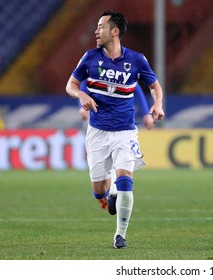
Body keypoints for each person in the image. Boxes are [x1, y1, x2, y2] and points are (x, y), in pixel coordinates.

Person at [66, 10, 164, 249]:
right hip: (97, 132)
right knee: (99, 190)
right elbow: (71, 84)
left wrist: (157, 104)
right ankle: (108, 196)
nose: (96, 31)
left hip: (125, 131)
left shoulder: (137, 60)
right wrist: (81, 95)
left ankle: (120, 235)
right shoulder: (89, 58)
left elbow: (154, 86)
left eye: (101, 26)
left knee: (125, 180)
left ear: (115, 31)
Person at [78, 82, 155, 210]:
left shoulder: (125, 66)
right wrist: (81, 105)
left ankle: (114, 189)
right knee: (98, 188)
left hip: (121, 125)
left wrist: (146, 112)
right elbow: (81, 82)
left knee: (119, 160)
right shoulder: (93, 64)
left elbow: (136, 87)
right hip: (97, 123)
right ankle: (105, 192)